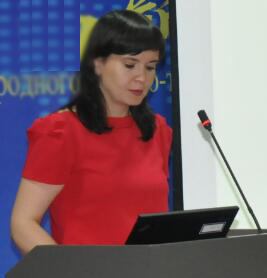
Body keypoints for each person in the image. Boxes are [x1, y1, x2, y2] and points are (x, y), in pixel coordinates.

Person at [10, 10, 170, 255]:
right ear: (98, 63)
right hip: (86, 276)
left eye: (150, 67)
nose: (142, 77)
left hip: (152, 275)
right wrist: (69, 272)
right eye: (130, 65)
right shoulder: (61, 132)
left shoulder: (158, 130)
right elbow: (23, 224)